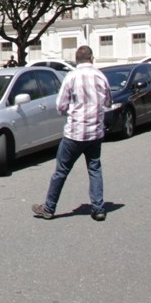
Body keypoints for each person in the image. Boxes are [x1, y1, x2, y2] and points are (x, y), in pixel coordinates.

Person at [31, 45, 109, 221]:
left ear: (76, 60)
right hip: (95, 131)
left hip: (74, 132)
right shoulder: (100, 76)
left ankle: (49, 207)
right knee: (94, 168)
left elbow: (60, 105)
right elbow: (108, 102)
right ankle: (98, 208)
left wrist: (71, 110)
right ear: (91, 58)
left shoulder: (71, 77)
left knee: (61, 170)